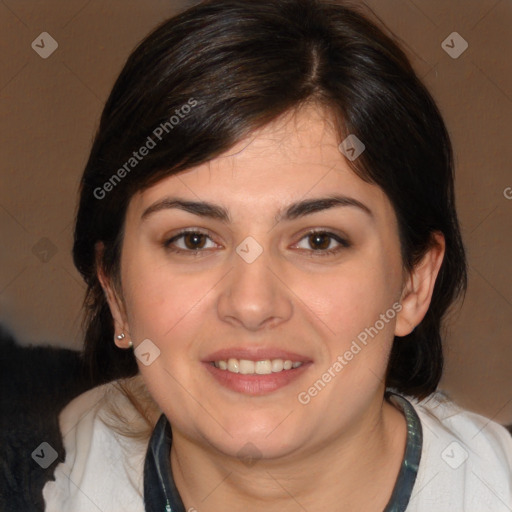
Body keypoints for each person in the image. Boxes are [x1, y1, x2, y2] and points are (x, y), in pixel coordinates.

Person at [42, 0, 512, 511]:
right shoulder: (43, 473)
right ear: (114, 289)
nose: (251, 304)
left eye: (319, 240)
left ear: (415, 281)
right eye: (193, 240)